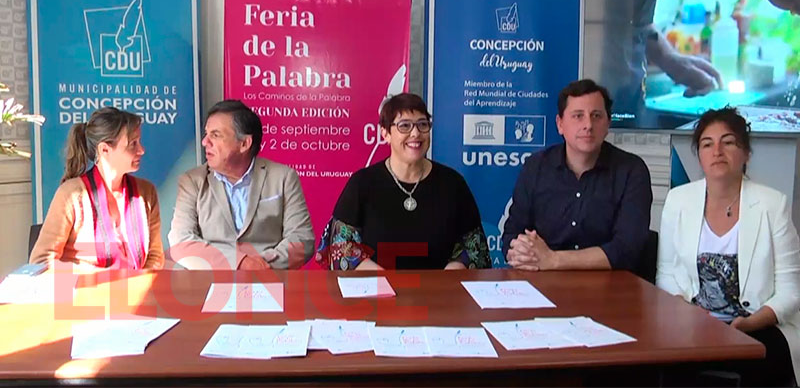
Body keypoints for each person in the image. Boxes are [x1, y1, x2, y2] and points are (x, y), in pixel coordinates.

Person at [657, 107, 800, 386]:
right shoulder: (678, 200)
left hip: (759, 325)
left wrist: (750, 322)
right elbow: (666, 274)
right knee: (669, 362)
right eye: (707, 144)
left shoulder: (773, 204)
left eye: (728, 142)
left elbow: (791, 291)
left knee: (759, 362)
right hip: (693, 324)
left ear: (746, 153)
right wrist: (684, 310)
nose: (717, 151)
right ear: (699, 154)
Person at [586, 0, 800, 127]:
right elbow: (600, 4)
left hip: (624, 97)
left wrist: (667, 56)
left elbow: (631, 14)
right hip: (594, 91)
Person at [315, 93, 490, 270]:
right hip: (376, 286)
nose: (415, 133)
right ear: (385, 133)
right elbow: (339, 247)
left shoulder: (453, 184)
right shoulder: (362, 183)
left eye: (422, 124)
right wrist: (382, 279)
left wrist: (450, 274)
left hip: (441, 287)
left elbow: (475, 248)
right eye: (404, 125)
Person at [501, 79, 653, 271]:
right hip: (542, 280)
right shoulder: (536, 166)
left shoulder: (632, 171)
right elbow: (512, 234)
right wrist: (519, 251)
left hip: (609, 284)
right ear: (560, 124)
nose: (588, 125)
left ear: (608, 123)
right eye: (578, 116)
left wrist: (554, 260)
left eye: (596, 116)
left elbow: (627, 250)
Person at [168, 100, 314, 270]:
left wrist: (261, 265)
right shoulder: (192, 181)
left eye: (215, 135)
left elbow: (302, 239)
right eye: (206, 134)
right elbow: (181, 241)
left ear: (244, 144)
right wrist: (240, 263)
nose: (205, 142)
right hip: (210, 279)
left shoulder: (283, 177)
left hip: (269, 277)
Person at [29, 107, 164, 270]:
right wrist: (98, 279)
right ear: (104, 149)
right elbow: (41, 261)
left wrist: (140, 283)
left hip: (136, 286)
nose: (141, 150)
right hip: (81, 286)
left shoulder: (146, 193)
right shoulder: (71, 194)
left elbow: (155, 257)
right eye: (132, 144)